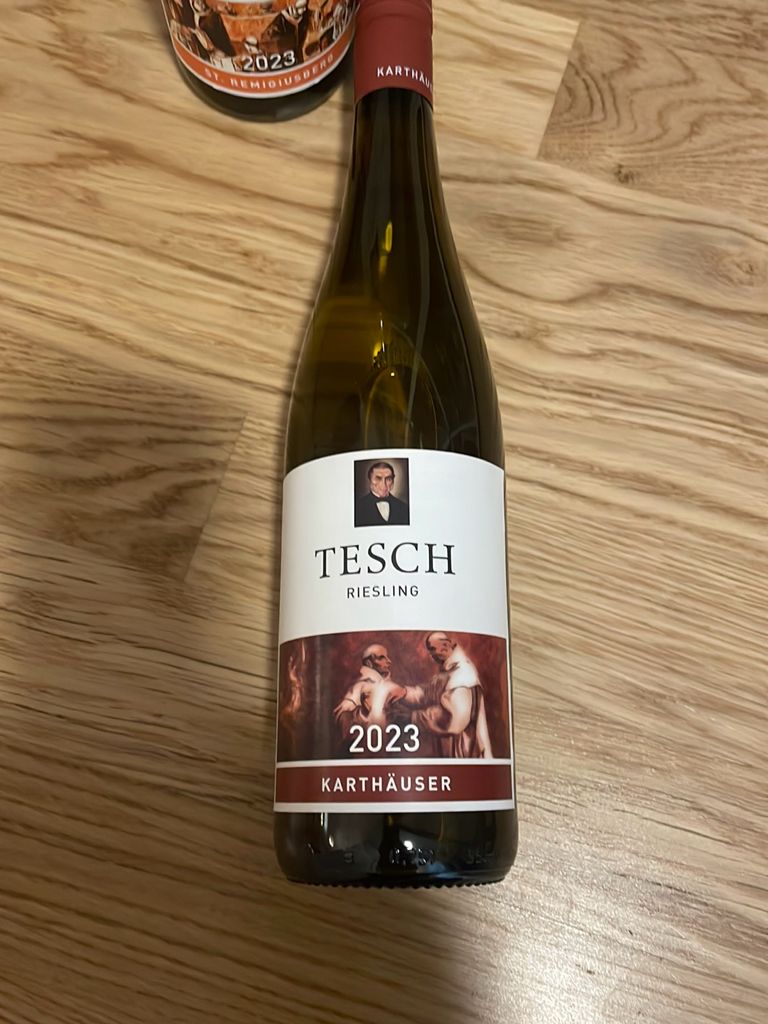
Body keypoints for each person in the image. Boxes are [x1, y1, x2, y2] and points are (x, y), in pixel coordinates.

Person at [405, 632, 494, 758]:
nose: (431, 655)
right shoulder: (449, 670)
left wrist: (415, 717)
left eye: (432, 649)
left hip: (463, 752)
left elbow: (452, 721)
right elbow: (428, 693)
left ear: (445, 646)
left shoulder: (463, 674)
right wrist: (404, 693)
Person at [334, 644, 407, 749]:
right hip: (366, 750)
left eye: (387, 657)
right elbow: (342, 717)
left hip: (392, 749)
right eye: (382, 658)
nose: (389, 661)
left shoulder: (392, 687)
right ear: (369, 663)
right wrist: (362, 713)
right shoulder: (360, 687)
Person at [355, 461, 409, 527]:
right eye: (378, 478)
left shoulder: (403, 507)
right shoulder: (358, 507)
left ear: (392, 482)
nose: (383, 484)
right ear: (370, 480)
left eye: (388, 479)